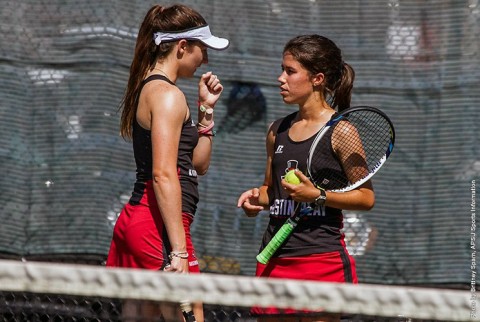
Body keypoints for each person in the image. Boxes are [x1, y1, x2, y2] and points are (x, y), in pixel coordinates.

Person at [237, 35, 375, 322]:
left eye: (290, 71)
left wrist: (318, 196)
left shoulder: (342, 132)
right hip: (274, 259)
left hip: (321, 261)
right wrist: (256, 199)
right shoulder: (277, 130)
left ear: (317, 79)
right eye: (282, 69)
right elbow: (271, 190)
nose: (280, 79)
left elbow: (366, 198)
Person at [106, 4, 229, 322]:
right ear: (183, 47)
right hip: (154, 223)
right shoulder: (166, 95)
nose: (206, 58)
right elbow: (163, 174)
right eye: (203, 48)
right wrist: (179, 252)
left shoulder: (162, 92)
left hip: (146, 220)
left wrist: (205, 112)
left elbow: (197, 165)